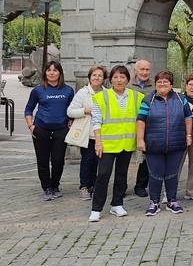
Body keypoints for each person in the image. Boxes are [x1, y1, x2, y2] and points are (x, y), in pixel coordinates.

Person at [89, 65, 145, 221]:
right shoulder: (101, 97)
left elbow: (142, 118)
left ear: (128, 79)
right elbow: (96, 121)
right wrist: (98, 142)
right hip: (107, 144)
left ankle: (117, 204)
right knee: (103, 175)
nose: (119, 80)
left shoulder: (136, 96)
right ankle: (96, 208)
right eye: (115, 77)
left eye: (122, 77)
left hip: (127, 143)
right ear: (110, 79)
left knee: (122, 174)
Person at [136, 71, 193, 216]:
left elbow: (188, 117)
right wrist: (140, 140)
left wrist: (188, 134)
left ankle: (172, 201)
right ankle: (154, 202)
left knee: (172, 174)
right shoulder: (148, 100)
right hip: (154, 144)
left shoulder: (181, 99)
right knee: (155, 174)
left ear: (171, 84)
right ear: (155, 84)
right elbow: (141, 120)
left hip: (176, 144)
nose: (162, 84)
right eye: (159, 82)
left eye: (165, 82)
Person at [24, 61, 75, 201]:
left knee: (58, 161)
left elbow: (73, 109)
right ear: (45, 73)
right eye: (49, 70)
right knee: (43, 161)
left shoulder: (68, 90)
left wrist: (71, 121)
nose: (52, 73)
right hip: (41, 130)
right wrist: (31, 126)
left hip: (61, 130)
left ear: (60, 73)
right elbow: (28, 109)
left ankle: (55, 185)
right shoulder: (38, 90)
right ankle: (46, 188)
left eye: (55, 70)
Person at [67, 65, 107, 200]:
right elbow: (70, 111)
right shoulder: (83, 93)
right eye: (94, 75)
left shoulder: (107, 93)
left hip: (102, 135)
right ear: (90, 77)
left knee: (98, 162)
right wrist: (85, 110)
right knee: (87, 161)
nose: (97, 77)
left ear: (104, 79)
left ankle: (94, 185)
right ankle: (84, 186)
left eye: (100, 75)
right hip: (88, 134)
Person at [129, 59, 153, 198]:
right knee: (124, 158)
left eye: (147, 70)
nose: (144, 72)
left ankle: (141, 185)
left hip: (148, 127)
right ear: (136, 70)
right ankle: (121, 185)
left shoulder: (154, 86)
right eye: (142, 69)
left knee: (145, 158)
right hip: (128, 126)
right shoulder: (127, 86)